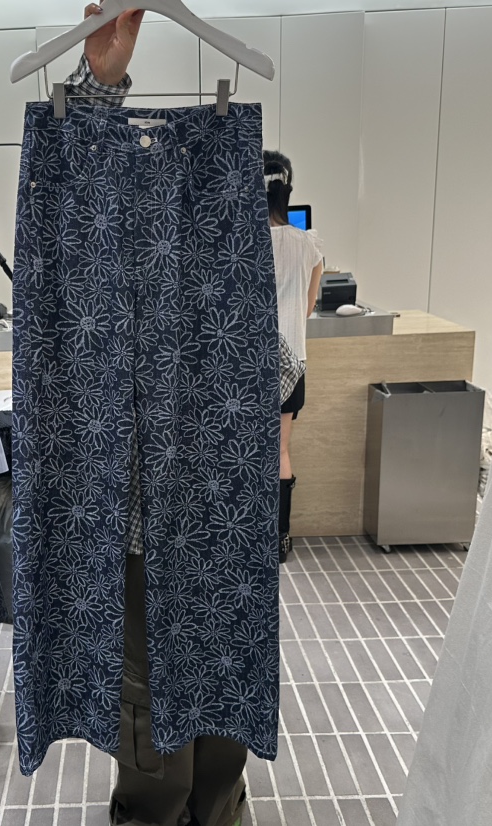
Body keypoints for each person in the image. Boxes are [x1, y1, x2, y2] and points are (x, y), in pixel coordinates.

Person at [58, 6, 250, 826]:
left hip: (217, 516)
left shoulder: (228, 238)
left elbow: (272, 363)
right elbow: (73, 212)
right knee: (151, 725)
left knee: (222, 702)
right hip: (139, 525)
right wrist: (98, 85)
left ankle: (218, 812)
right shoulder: (102, 259)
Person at [263, 150, 324, 563]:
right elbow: (308, 307)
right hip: (292, 361)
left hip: (249, 364)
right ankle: (279, 541)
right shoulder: (310, 245)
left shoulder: (239, 243)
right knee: (280, 450)